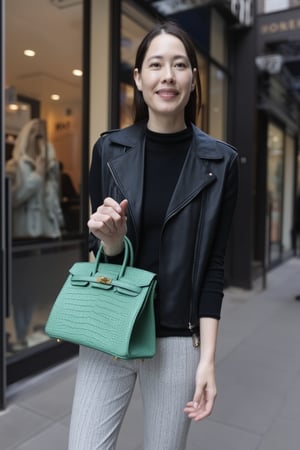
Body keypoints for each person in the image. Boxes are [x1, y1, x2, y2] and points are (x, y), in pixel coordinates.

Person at [68, 21, 239, 450]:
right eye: (156, 64)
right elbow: (103, 251)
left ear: (193, 79)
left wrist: (208, 361)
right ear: (139, 79)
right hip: (109, 326)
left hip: (177, 340)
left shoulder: (221, 163)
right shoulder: (108, 151)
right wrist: (110, 240)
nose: (168, 75)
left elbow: (214, 266)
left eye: (180, 65)